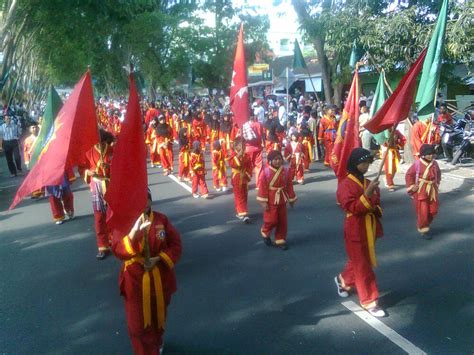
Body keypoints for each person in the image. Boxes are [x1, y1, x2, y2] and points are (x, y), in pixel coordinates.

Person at [111, 191, 182, 355]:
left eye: (145, 198)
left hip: (160, 277)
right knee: (137, 324)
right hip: (135, 281)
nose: (141, 203)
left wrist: (159, 259)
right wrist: (133, 234)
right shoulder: (123, 221)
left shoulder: (161, 220)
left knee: (159, 317)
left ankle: (157, 341)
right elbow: (117, 250)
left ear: (150, 200)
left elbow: (176, 245)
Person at [335, 148, 385, 318]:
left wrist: (373, 199)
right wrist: (369, 193)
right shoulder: (345, 185)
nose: (365, 166)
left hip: (369, 226)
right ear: (354, 164)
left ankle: (344, 279)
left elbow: (376, 203)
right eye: (363, 163)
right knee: (363, 265)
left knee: (360, 260)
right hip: (355, 227)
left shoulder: (368, 181)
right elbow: (352, 207)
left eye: (367, 163)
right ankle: (370, 301)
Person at [81, 129, 115, 260]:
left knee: (113, 213)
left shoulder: (111, 150)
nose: (100, 145)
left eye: (102, 142)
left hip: (110, 183)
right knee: (99, 216)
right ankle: (102, 245)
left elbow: (118, 165)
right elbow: (82, 167)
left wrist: (109, 166)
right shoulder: (88, 152)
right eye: (97, 142)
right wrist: (87, 172)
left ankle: (114, 240)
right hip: (97, 185)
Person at [257, 150, 297, 250]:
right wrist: (263, 201)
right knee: (271, 219)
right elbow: (262, 187)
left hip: (282, 199)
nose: (278, 161)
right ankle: (265, 231)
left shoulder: (286, 171)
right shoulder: (265, 172)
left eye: (279, 159)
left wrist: (291, 198)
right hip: (271, 199)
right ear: (270, 161)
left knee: (283, 220)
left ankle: (280, 239)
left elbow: (289, 186)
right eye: (275, 159)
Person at [405, 144, 441, 239]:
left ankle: (425, 223)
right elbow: (409, 175)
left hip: (432, 189)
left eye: (432, 154)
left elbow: (438, 174)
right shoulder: (417, 164)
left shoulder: (435, 163)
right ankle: (423, 228)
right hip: (421, 191)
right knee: (423, 211)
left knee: (434, 210)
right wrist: (411, 186)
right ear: (423, 155)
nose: (431, 156)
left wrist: (437, 184)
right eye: (428, 154)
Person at [227, 137, 252, 223]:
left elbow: (249, 166)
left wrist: (248, 175)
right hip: (237, 177)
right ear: (235, 146)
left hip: (244, 176)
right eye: (241, 145)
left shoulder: (247, 155)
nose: (243, 147)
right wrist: (238, 156)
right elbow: (232, 164)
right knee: (239, 195)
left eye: (244, 145)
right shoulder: (233, 156)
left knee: (244, 194)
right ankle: (242, 214)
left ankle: (241, 211)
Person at [242, 113, 264, 185]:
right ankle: (259, 183)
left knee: (247, 166)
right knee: (259, 166)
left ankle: (246, 182)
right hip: (258, 147)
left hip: (248, 148)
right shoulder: (259, 124)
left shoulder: (245, 125)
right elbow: (261, 135)